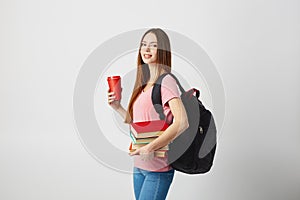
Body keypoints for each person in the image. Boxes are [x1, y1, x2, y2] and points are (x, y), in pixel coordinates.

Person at [107, 28, 189, 200]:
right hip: (139, 167)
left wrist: (150, 147)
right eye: (143, 45)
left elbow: (182, 122)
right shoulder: (144, 84)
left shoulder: (167, 82)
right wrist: (117, 107)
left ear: (163, 50)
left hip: (157, 170)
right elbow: (139, 123)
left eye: (153, 45)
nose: (146, 49)